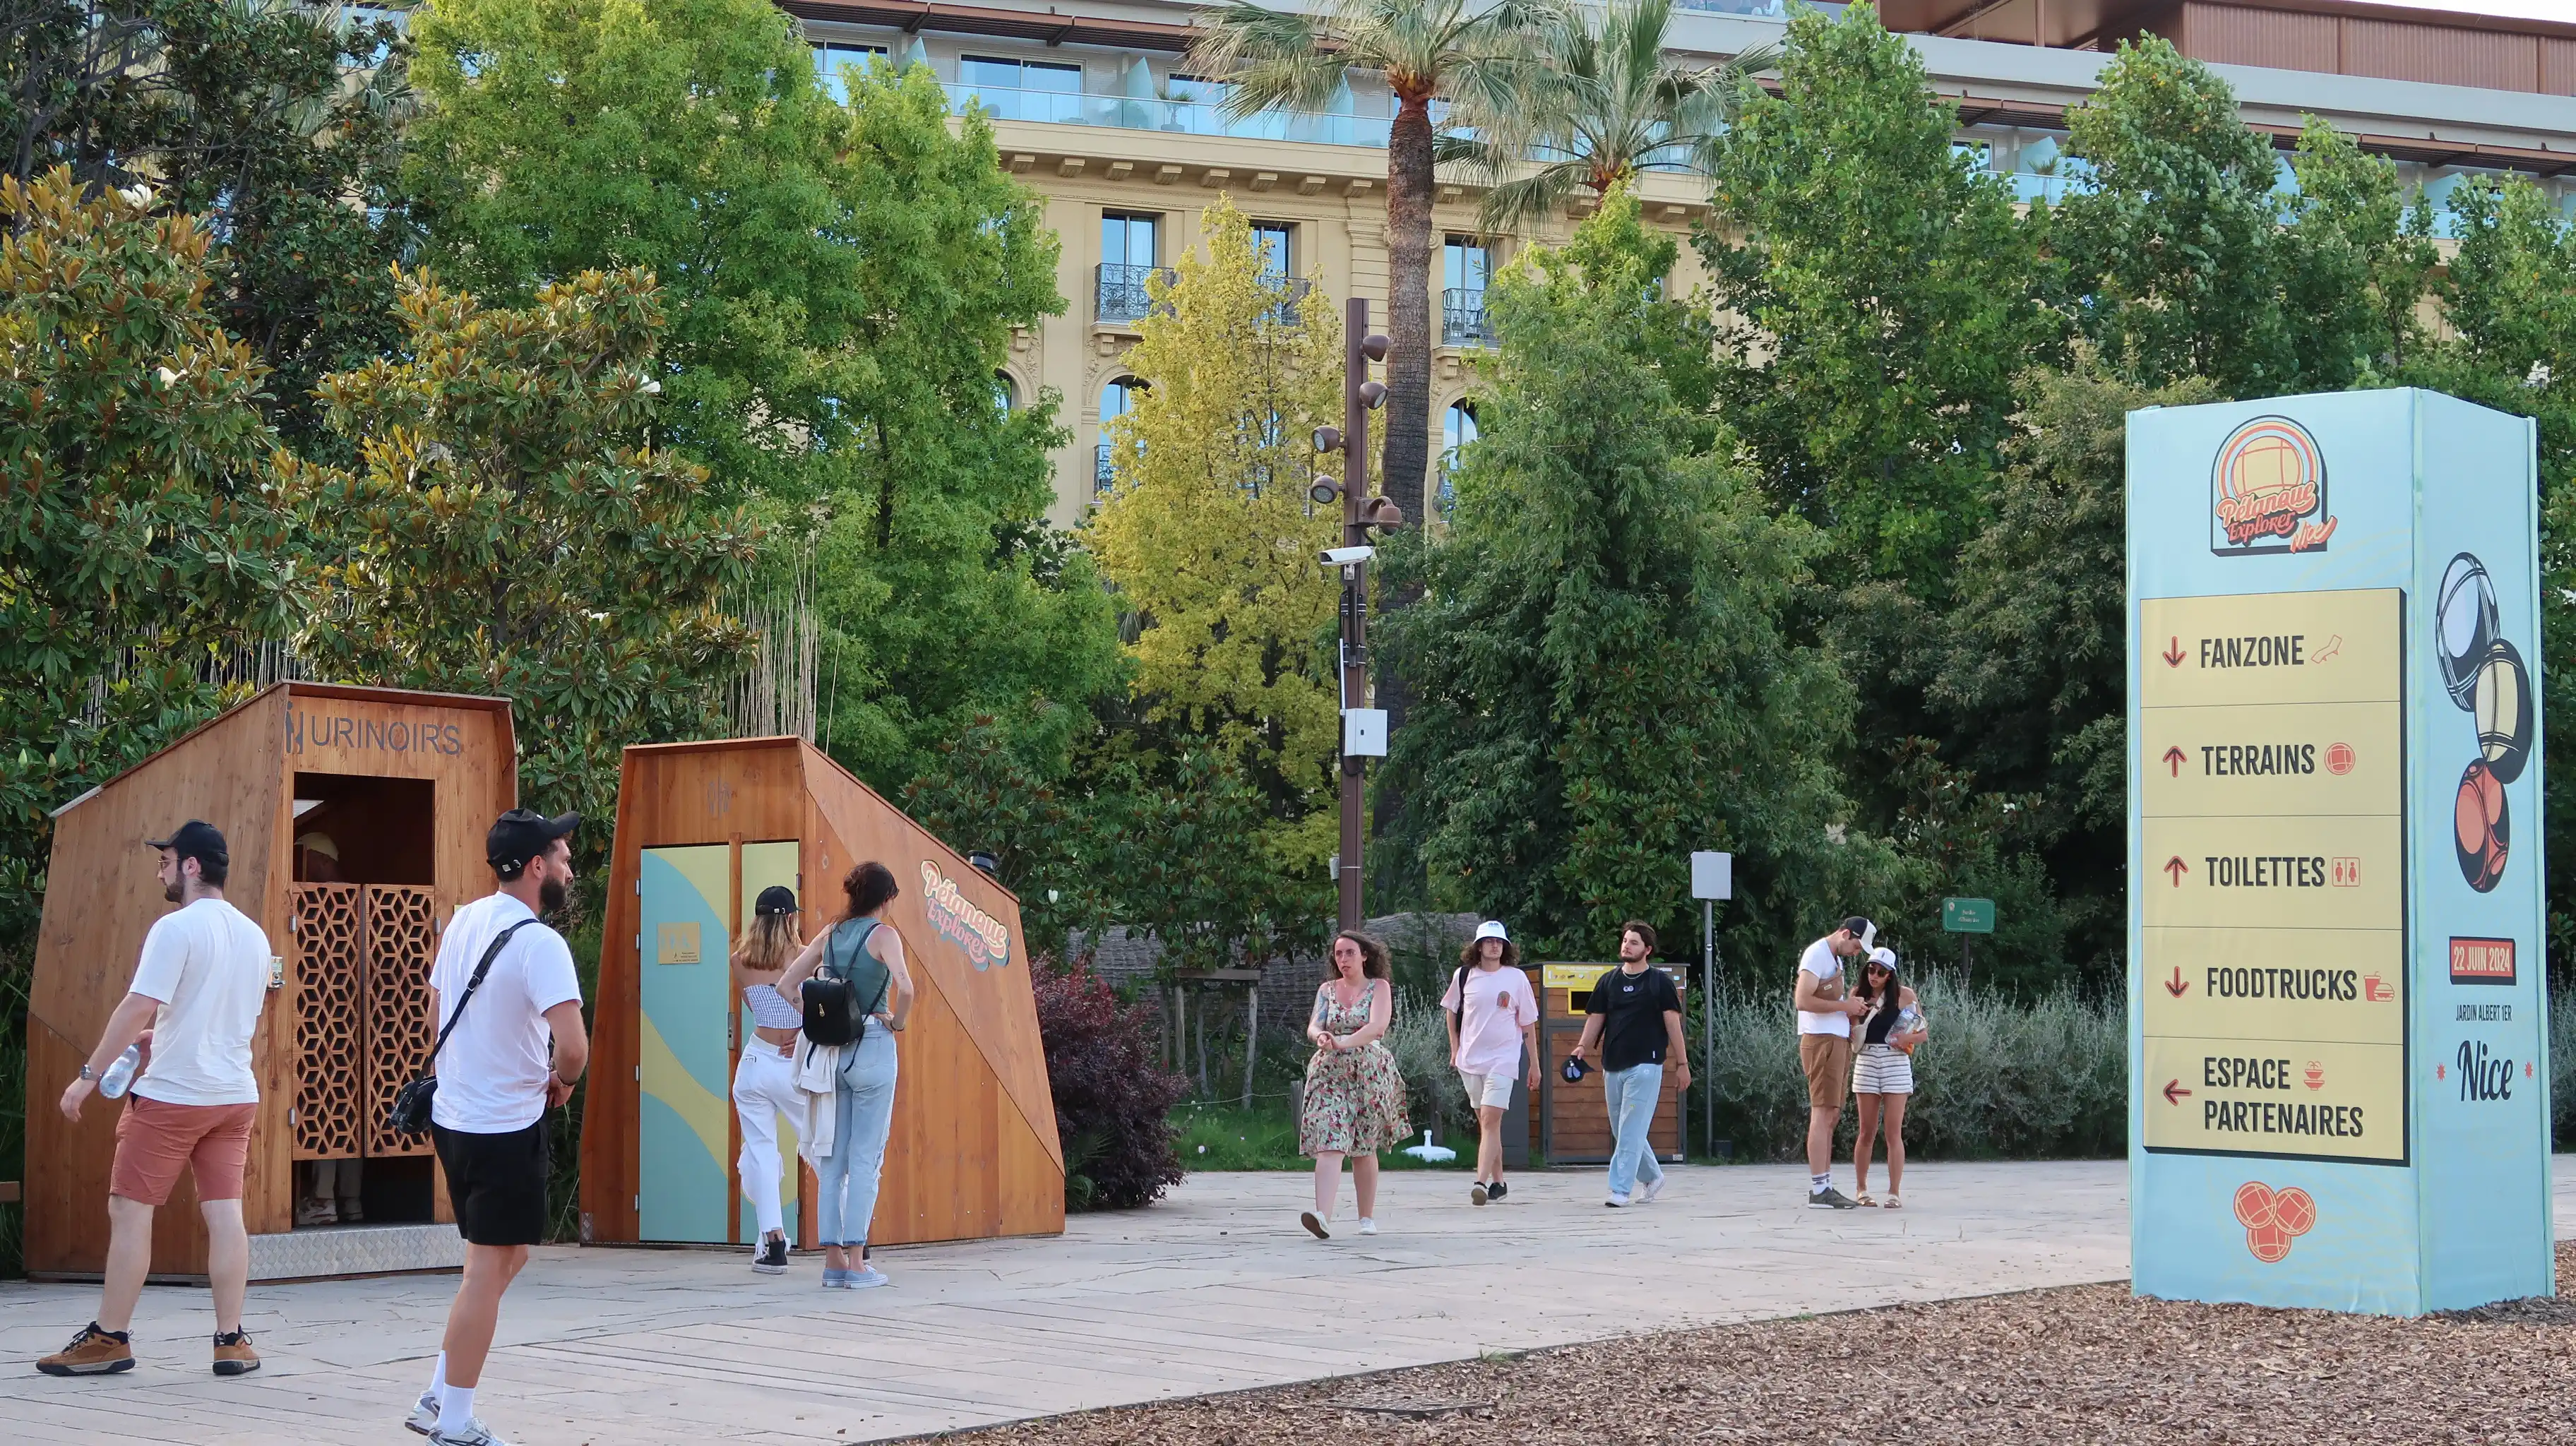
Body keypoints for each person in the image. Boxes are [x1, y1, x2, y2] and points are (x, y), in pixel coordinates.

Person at [41, 821, 272, 1380]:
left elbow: (136, 1006)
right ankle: (231, 1341)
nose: (160, 871)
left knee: (129, 1210)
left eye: (166, 861)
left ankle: (109, 1338)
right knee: (225, 1215)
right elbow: (221, 1016)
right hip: (234, 1095)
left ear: (191, 866)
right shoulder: (255, 935)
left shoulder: (176, 928)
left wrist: (87, 1077)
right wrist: (163, 1036)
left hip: (173, 1097)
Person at [405, 809, 588, 1446]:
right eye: (562, 855)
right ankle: (454, 1420)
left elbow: (436, 1006)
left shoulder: (464, 920)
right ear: (536, 866)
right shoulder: (541, 945)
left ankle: (437, 1391)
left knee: (507, 1254)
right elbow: (574, 1050)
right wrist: (559, 1081)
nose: (569, 866)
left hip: (455, 1119)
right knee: (487, 1267)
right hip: (506, 1124)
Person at [777, 862, 912, 1289]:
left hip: (833, 1052)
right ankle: (857, 1261)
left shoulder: (831, 934)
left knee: (831, 1157)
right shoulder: (884, 936)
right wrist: (897, 1023)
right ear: (886, 898)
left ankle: (833, 1261)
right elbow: (906, 988)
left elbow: (786, 985)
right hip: (873, 1044)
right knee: (866, 1158)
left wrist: (817, 1017)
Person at [1568, 921, 1690, 1208]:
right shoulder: (1608, 981)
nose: (1626, 945)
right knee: (1623, 1130)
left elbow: (1673, 1024)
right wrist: (1582, 1046)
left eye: (1634, 942)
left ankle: (1620, 1190)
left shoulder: (1660, 983)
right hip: (1613, 1065)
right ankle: (1652, 1176)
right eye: (1625, 940)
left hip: (1646, 1065)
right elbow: (1596, 1017)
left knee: (1631, 1128)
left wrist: (1682, 1063)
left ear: (1647, 950)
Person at [1297, 931, 1409, 1239]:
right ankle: (1322, 1216)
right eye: (1338, 954)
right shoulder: (1327, 990)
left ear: (1364, 956)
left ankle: (1366, 1218)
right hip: (1329, 1072)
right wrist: (1320, 1036)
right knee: (1329, 1139)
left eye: (1349, 953)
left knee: (1363, 1147)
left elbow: (1376, 1027)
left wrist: (1343, 1042)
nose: (1343, 959)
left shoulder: (1379, 988)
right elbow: (1314, 1024)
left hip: (1369, 1073)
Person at [732, 885, 809, 1275]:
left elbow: (755, 1005)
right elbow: (816, 1009)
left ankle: (773, 1243)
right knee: (821, 1145)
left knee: (761, 1151)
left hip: (756, 1059)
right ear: (791, 918)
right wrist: (804, 1029)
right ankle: (851, 1239)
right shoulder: (803, 958)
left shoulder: (738, 960)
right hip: (792, 1063)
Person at [1441, 921, 1538, 1207]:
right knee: (1486, 1124)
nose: (1494, 946)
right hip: (1470, 1060)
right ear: (1478, 946)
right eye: (1488, 941)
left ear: (1505, 947)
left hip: (1504, 1059)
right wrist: (1455, 1049)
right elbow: (1451, 1012)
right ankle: (1499, 1181)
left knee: (1490, 1119)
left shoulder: (1516, 978)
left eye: (1499, 942)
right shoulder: (1464, 976)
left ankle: (1480, 1182)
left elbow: (1528, 1024)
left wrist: (1534, 1064)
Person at [1794, 916, 1876, 1210]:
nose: (1857, 952)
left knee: (1831, 1114)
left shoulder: (1833, 959)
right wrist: (1845, 1006)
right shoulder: (1817, 954)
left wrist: (1851, 1012)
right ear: (1845, 934)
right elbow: (1802, 1000)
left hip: (1836, 1040)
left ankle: (1824, 1185)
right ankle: (1819, 1188)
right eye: (1856, 945)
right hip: (1821, 1041)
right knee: (1822, 1112)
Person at [1850, 947, 1928, 1209]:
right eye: (1871, 969)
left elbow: (1923, 1032)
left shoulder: (1905, 995)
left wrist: (1907, 1038)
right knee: (1866, 1131)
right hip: (1868, 1058)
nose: (1874, 975)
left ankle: (1894, 1192)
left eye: (1880, 972)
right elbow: (1848, 1029)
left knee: (1894, 1131)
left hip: (1895, 1060)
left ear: (1890, 975)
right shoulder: (1857, 994)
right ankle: (1862, 1189)